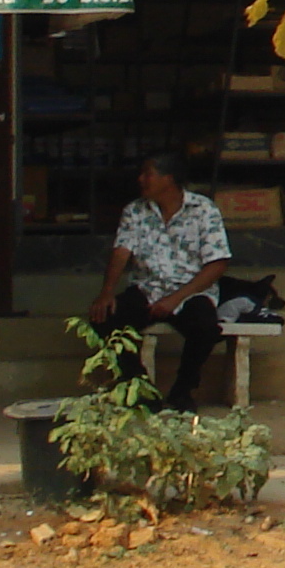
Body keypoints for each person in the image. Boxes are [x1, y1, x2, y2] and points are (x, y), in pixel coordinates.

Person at [90, 154, 232, 409]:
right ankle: (140, 387)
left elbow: (218, 263)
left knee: (205, 327)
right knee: (104, 318)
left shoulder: (204, 210)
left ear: (169, 179)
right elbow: (121, 251)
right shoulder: (135, 210)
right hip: (148, 289)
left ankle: (183, 390)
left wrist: (175, 298)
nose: (141, 179)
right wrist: (107, 292)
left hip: (190, 292)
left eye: (148, 174)